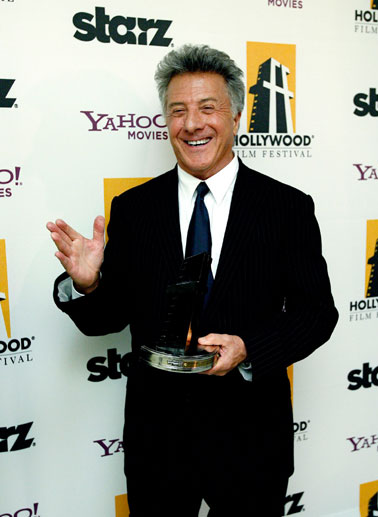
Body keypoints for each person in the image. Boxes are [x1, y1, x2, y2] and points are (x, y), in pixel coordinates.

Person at [47, 44, 338, 517]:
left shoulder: (287, 208)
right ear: (166, 121)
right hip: (157, 442)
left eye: (208, 108)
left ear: (237, 114)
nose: (192, 124)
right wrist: (88, 285)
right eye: (178, 111)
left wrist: (249, 347)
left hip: (251, 441)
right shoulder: (134, 209)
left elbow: (316, 315)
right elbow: (109, 319)